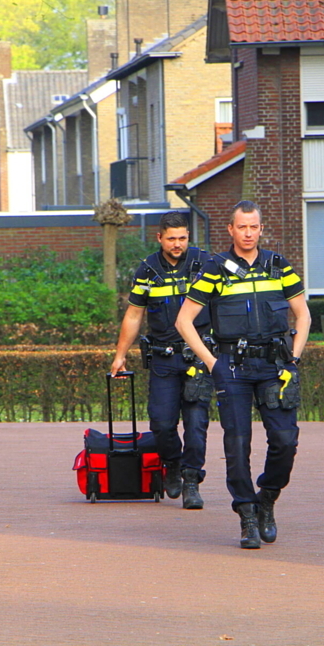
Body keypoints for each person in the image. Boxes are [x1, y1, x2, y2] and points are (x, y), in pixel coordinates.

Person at [176, 200, 311, 549]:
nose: (248, 233)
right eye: (242, 227)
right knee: (237, 446)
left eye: (253, 227)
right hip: (232, 368)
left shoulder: (278, 266)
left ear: (261, 229)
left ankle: (267, 497)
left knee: (285, 441)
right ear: (231, 230)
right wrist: (212, 363)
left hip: (274, 367)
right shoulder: (215, 269)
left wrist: (293, 360)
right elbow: (183, 321)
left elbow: (303, 314)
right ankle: (247, 514)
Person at [110, 211, 213, 509]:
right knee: (161, 423)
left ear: (188, 236)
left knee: (196, 424)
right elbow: (134, 315)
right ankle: (173, 464)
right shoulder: (147, 270)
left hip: (198, 359)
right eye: (171, 239)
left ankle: (191, 480)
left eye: (182, 238)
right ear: (159, 238)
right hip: (163, 358)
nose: (177, 244)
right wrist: (120, 355)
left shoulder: (205, 264)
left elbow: (223, 304)